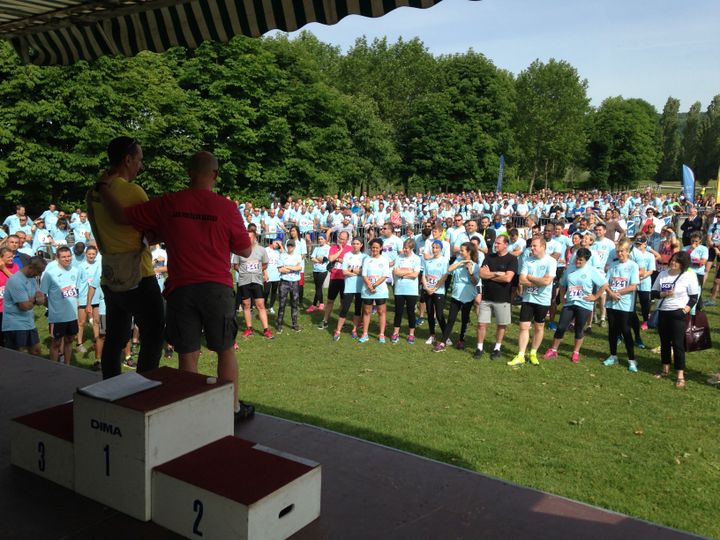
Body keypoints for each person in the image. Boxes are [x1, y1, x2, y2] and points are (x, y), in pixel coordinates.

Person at [97, 150, 254, 421]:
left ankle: (190, 412)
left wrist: (101, 187)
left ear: (188, 172)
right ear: (214, 175)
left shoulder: (170, 203)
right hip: (216, 287)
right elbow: (245, 250)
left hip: (181, 288)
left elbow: (121, 217)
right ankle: (231, 410)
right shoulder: (226, 207)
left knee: (187, 352)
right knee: (225, 349)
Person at [87, 136, 166, 379]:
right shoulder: (132, 191)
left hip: (110, 274)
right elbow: (154, 229)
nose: (141, 166)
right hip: (139, 275)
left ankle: (110, 386)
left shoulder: (93, 192)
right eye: (139, 160)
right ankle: (143, 391)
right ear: (128, 159)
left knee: (115, 336)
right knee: (153, 334)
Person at [544, 248, 608, 363]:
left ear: (586, 260)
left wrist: (595, 297)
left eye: (581, 260)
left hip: (584, 304)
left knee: (579, 329)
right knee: (561, 327)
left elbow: (604, 284)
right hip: (569, 303)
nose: (578, 262)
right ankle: (553, 350)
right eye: (577, 259)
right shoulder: (570, 269)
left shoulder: (592, 270)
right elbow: (563, 284)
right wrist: (562, 297)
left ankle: (576, 352)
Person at [652, 251, 699, 388]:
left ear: (683, 264)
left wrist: (685, 309)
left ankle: (680, 375)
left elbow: (694, 297)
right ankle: (665, 369)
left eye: (677, 261)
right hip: (663, 312)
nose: (673, 263)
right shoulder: (662, 274)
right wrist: (663, 293)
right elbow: (653, 293)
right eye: (672, 260)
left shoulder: (688, 276)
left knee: (678, 344)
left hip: (678, 314)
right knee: (664, 342)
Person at [508, 237, 557, 366]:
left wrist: (529, 277)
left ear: (543, 247)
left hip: (543, 300)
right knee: (523, 326)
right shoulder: (528, 260)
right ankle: (521, 355)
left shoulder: (551, 261)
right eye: (531, 246)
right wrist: (536, 280)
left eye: (535, 246)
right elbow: (521, 280)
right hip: (528, 298)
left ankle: (533, 352)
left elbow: (547, 281)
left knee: (539, 326)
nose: (532, 248)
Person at [476, 236, 517, 360]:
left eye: (498, 243)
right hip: (486, 297)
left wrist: (489, 275)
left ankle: (497, 348)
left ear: (506, 245)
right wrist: (496, 273)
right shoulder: (489, 257)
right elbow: (481, 274)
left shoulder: (512, 259)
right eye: (495, 243)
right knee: (481, 324)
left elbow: (508, 278)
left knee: (501, 324)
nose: (495, 245)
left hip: (503, 298)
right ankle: (479, 347)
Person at [434, 242, 480, 352]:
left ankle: (461, 340)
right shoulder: (458, 260)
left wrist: (470, 272)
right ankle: (443, 342)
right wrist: (461, 263)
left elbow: (475, 282)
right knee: (451, 319)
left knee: (465, 318)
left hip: (468, 293)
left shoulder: (475, 265)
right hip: (456, 293)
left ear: (468, 251)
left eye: (462, 250)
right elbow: (449, 269)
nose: (460, 252)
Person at [603, 239, 640, 372]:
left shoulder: (633, 266)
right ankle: (613, 355)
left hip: (625, 304)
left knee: (625, 330)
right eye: (618, 251)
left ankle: (631, 359)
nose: (620, 253)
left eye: (622, 251)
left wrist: (617, 292)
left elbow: (633, 286)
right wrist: (610, 293)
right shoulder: (613, 265)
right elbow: (605, 283)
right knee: (612, 330)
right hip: (611, 303)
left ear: (628, 251)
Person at [39, 246, 81, 365]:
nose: (67, 259)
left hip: (72, 315)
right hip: (57, 316)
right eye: (64, 257)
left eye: (69, 256)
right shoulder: (49, 274)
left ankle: (67, 365)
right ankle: (54, 367)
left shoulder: (76, 271)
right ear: (57, 258)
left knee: (69, 340)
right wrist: (52, 307)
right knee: (56, 343)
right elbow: (43, 295)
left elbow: (76, 291)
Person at [2, 256, 46, 354]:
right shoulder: (16, 281)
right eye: (38, 271)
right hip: (15, 325)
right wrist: (35, 300)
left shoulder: (32, 278)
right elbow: (24, 306)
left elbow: (41, 298)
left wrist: (32, 300)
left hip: (29, 323)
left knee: (36, 351)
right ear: (30, 267)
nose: (39, 275)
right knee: (20, 356)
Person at [233, 230, 273, 339]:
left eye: (250, 237)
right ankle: (249, 328)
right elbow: (235, 265)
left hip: (257, 280)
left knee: (260, 304)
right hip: (244, 281)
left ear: (254, 238)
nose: (248, 239)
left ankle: (266, 330)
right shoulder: (239, 250)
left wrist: (259, 270)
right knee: (246, 304)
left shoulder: (261, 250)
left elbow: (265, 264)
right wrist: (242, 271)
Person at [332, 237, 366, 341]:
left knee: (357, 309)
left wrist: (356, 272)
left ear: (361, 245)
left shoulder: (365, 257)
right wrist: (355, 271)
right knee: (344, 309)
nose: (355, 245)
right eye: (353, 243)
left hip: (360, 287)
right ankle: (338, 330)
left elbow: (364, 272)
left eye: (357, 243)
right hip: (349, 287)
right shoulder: (347, 255)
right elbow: (344, 271)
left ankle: (354, 330)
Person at [358, 238, 390, 343]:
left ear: (381, 248)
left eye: (377, 247)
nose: (374, 249)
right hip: (367, 289)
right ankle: (365, 333)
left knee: (381, 311)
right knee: (367, 311)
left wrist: (374, 285)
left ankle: (381, 334)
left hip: (380, 290)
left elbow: (385, 275)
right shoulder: (367, 259)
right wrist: (369, 285)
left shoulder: (384, 260)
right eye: (373, 247)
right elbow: (364, 274)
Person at [318, 231, 352, 330]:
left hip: (346, 279)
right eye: (339, 238)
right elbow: (331, 258)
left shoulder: (350, 249)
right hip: (334, 277)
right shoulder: (333, 247)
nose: (340, 240)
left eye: (343, 239)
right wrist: (340, 251)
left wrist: (340, 260)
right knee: (330, 300)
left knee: (343, 301)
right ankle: (325, 320)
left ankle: (341, 321)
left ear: (347, 240)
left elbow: (350, 263)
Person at [390, 238, 422, 344]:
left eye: (407, 248)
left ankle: (411, 334)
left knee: (410, 312)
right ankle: (395, 333)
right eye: (404, 248)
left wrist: (402, 273)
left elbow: (415, 275)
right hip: (399, 289)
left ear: (412, 248)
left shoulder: (417, 259)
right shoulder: (399, 257)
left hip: (411, 290)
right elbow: (395, 272)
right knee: (398, 312)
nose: (404, 250)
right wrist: (408, 271)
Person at [422, 240, 449, 346]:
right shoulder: (428, 261)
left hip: (439, 291)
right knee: (429, 313)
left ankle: (445, 336)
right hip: (428, 290)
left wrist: (435, 288)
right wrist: (426, 287)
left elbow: (444, 276)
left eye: (437, 248)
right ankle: (432, 335)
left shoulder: (444, 261)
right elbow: (424, 275)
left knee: (439, 314)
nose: (434, 250)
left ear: (441, 249)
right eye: (433, 247)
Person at [276, 240, 303, 332]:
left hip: (295, 282)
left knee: (294, 304)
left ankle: (294, 324)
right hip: (284, 282)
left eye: (292, 246)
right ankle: (279, 324)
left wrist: (288, 267)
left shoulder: (298, 256)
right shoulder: (282, 255)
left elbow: (299, 268)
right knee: (282, 304)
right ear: (287, 246)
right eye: (289, 246)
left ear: (294, 247)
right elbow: (280, 269)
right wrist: (293, 267)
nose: (290, 247)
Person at [0, 247, 20, 347]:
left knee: (11, 337)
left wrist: (4, 269)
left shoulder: (15, 266)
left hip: (11, 308)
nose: (11, 259)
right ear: (1, 258)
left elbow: (17, 282)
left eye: (12, 256)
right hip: (0, 309)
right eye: (8, 257)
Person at [308, 234, 330, 312]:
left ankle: (314, 305)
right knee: (318, 287)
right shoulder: (316, 248)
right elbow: (312, 258)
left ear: (325, 240)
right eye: (319, 239)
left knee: (318, 287)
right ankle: (321, 303)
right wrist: (318, 260)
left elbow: (325, 259)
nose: (320, 240)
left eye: (322, 239)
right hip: (315, 270)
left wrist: (318, 259)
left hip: (323, 270)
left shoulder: (328, 248)